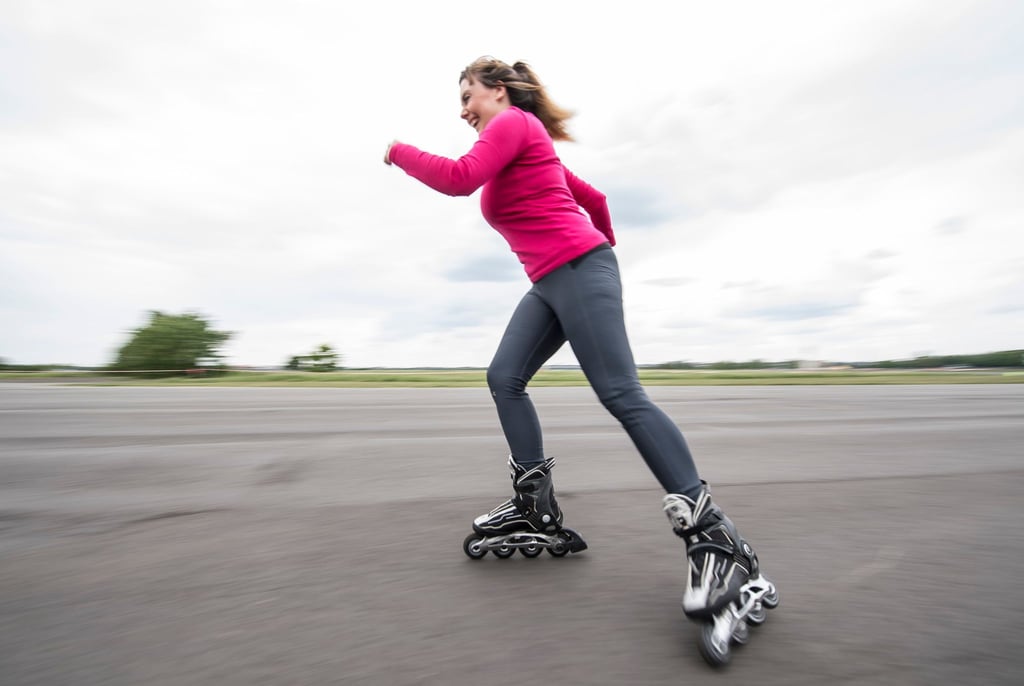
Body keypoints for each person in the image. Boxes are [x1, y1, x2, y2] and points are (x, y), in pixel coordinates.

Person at [384, 56, 773, 624]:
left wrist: (398, 151)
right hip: (554, 281)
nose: (463, 110)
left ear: (499, 90)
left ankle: (715, 540)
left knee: (621, 394)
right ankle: (533, 504)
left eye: (468, 96)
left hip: (576, 271)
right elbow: (596, 200)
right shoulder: (524, 145)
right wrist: (597, 251)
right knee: (504, 377)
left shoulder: (513, 123)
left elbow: (459, 179)